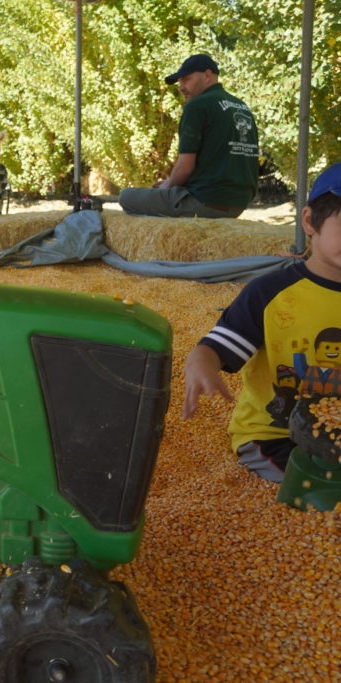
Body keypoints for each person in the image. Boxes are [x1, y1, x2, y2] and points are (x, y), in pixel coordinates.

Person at [182, 162, 341, 482]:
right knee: (320, 485)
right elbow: (215, 348)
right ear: (310, 221)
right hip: (275, 436)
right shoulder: (270, 293)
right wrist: (201, 364)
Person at [119, 54, 259, 219]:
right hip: (237, 204)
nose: (181, 87)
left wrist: (167, 186)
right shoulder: (241, 106)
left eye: (186, 79)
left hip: (205, 202)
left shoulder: (197, 106)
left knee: (126, 196)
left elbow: (185, 168)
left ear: (207, 75)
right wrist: (170, 182)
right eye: (180, 82)